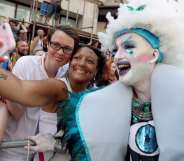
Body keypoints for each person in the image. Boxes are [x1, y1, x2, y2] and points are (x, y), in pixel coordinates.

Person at [22, 0, 184, 161]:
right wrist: (57, 143)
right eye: (115, 50)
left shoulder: (178, 97)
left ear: (154, 55)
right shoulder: (103, 101)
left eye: (128, 47)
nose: (118, 56)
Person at [0, 25, 79, 161]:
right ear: (47, 43)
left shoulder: (69, 75)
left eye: (67, 49)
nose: (60, 52)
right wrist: (7, 93)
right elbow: (17, 113)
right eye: (56, 45)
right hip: (14, 148)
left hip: (45, 153)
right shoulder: (26, 64)